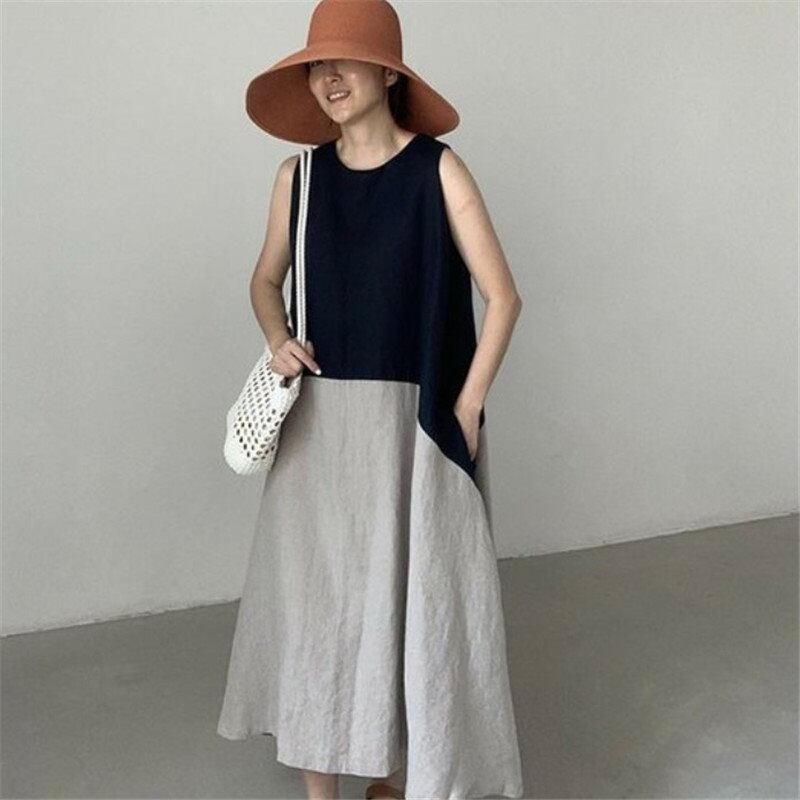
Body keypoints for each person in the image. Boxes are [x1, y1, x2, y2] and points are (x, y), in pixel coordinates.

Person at [216, 1, 525, 798]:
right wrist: (277, 337)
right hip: (317, 430)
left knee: (408, 606)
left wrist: (465, 408)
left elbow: (503, 297)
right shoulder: (299, 177)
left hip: (412, 427)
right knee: (316, 613)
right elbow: (265, 280)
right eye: (315, 65)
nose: (327, 77)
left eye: (344, 60)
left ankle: (392, 778)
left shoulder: (438, 171)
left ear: (389, 73)